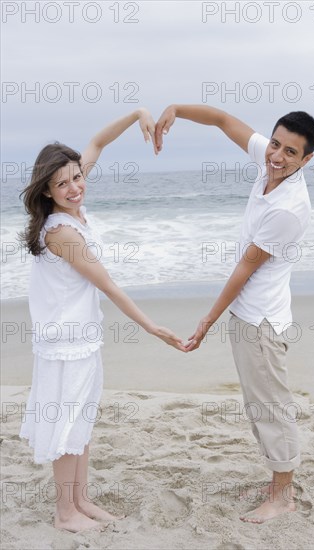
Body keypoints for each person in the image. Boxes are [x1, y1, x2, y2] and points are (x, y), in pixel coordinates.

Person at [19, 108, 186, 533]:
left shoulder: (71, 200)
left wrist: (137, 115)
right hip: (65, 343)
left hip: (82, 337)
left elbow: (96, 143)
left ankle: (81, 499)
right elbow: (109, 285)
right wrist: (151, 327)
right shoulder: (61, 232)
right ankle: (64, 512)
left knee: (82, 421)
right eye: (63, 183)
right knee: (66, 425)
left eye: (77, 176)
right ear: (47, 190)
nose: (75, 187)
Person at [155, 105, 314, 523]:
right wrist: (177, 109)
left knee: (271, 407)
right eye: (276, 144)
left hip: (260, 321)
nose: (277, 156)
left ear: (306, 160)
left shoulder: (288, 208)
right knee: (259, 405)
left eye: (290, 152)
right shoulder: (270, 161)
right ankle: (277, 482)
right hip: (250, 315)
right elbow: (225, 121)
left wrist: (207, 321)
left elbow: (246, 268)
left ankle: (283, 497)